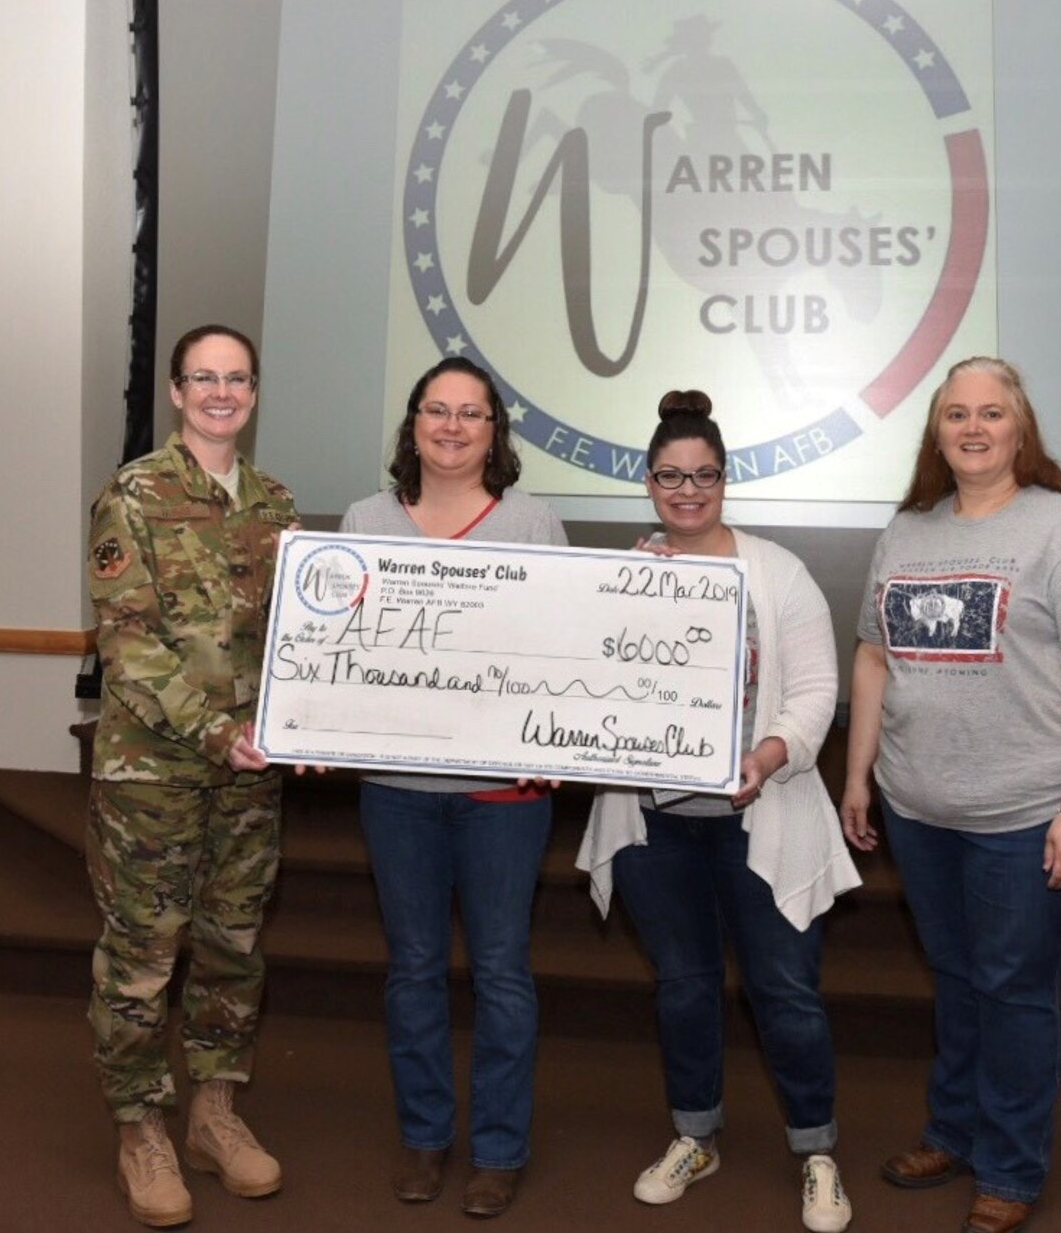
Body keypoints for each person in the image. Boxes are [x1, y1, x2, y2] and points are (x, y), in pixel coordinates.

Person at [839, 357, 1061, 1233]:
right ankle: (955, 1131)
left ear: (1020, 429)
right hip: (921, 809)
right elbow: (872, 657)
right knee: (961, 979)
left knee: (1013, 989)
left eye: (992, 413)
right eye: (956, 413)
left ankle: (1010, 1165)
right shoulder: (906, 533)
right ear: (936, 431)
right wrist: (857, 776)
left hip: (1030, 813)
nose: (974, 427)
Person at [577, 390, 861, 1233]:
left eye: (703, 476)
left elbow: (814, 693)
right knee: (684, 989)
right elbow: (582, 688)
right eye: (671, 476)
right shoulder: (628, 576)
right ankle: (694, 1135)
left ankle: (816, 1152)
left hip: (757, 814)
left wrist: (767, 757)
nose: (687, 491)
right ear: (650, 482)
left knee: (785, 991)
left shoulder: (780, 573)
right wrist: (623, 603)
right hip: (652, 824)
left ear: (726, 480)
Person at [339, 356, 568, 1219]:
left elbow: (562, 653)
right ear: (413, 423)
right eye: (437, 410)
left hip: (503, 795)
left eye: (471, 414)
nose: (452, 426)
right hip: (396, 789)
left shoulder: (534, 523)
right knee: (414, 970)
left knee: (504, 973)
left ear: (494, 432)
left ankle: (500, 1149)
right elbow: (337, 658)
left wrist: (554, 743)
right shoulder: (365, 520)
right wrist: (317, 724)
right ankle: (426, 1135)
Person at [85, 324, 300, 1228]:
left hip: (250, 777)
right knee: (142, 959)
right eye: (203, 379)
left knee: (232, 948)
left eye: (237, 378)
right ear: (176, 392)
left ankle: (215, 1111)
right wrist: (216, 732)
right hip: (155, 776)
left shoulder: (277, 504)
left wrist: (310, 718)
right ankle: (141, 1126)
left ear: (255, 390)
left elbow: (306, 642)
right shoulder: (133, 494)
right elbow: (127, 644)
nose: (221, 393)